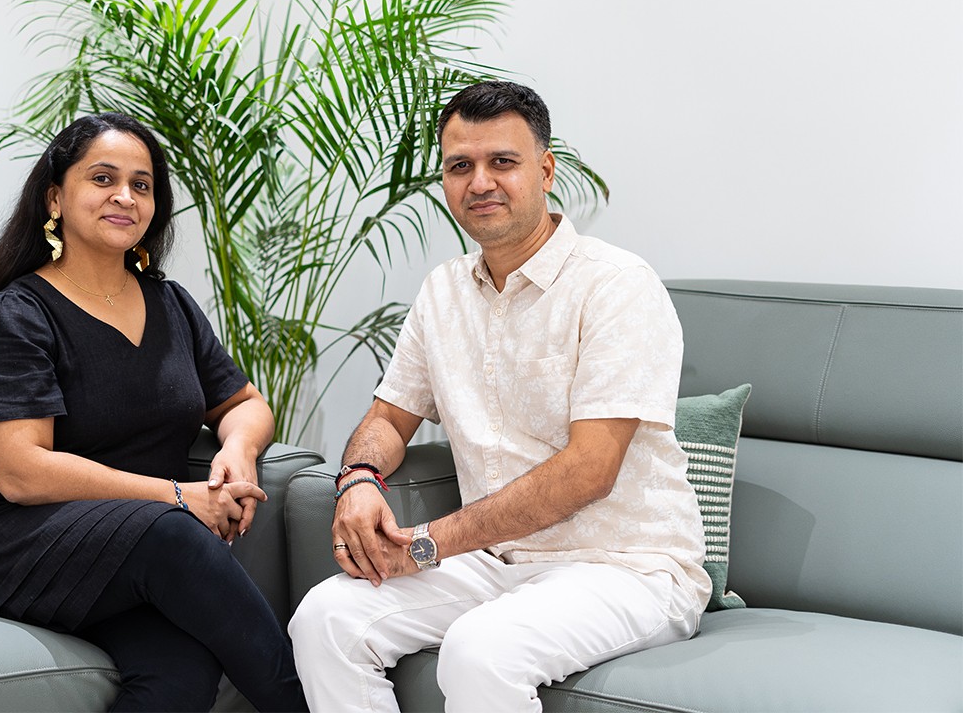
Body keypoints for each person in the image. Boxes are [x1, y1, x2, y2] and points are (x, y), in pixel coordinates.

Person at [288, 81, 711, 712]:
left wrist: (428, 543)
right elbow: (388, 418)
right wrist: (358, 479)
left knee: (480, 650)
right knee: (326, 619)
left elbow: (589, 470)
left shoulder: (617, 285)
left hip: (629, 567)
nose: (480, 182)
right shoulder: (442, 293)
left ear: (545, 171)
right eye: (460, 166)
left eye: (502, 162)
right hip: (497, 561)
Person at [0, 112, 307, 713]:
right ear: (55, 197)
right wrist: (178, 497)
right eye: (103, 179)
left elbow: (244, 404)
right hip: (6, 541)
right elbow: (21, 472)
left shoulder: (171, 304)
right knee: (174, 535)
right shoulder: (16, 313)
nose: (125, 197)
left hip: (124, 546)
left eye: (141, 184)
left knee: (181, 675)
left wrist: (238, 450)